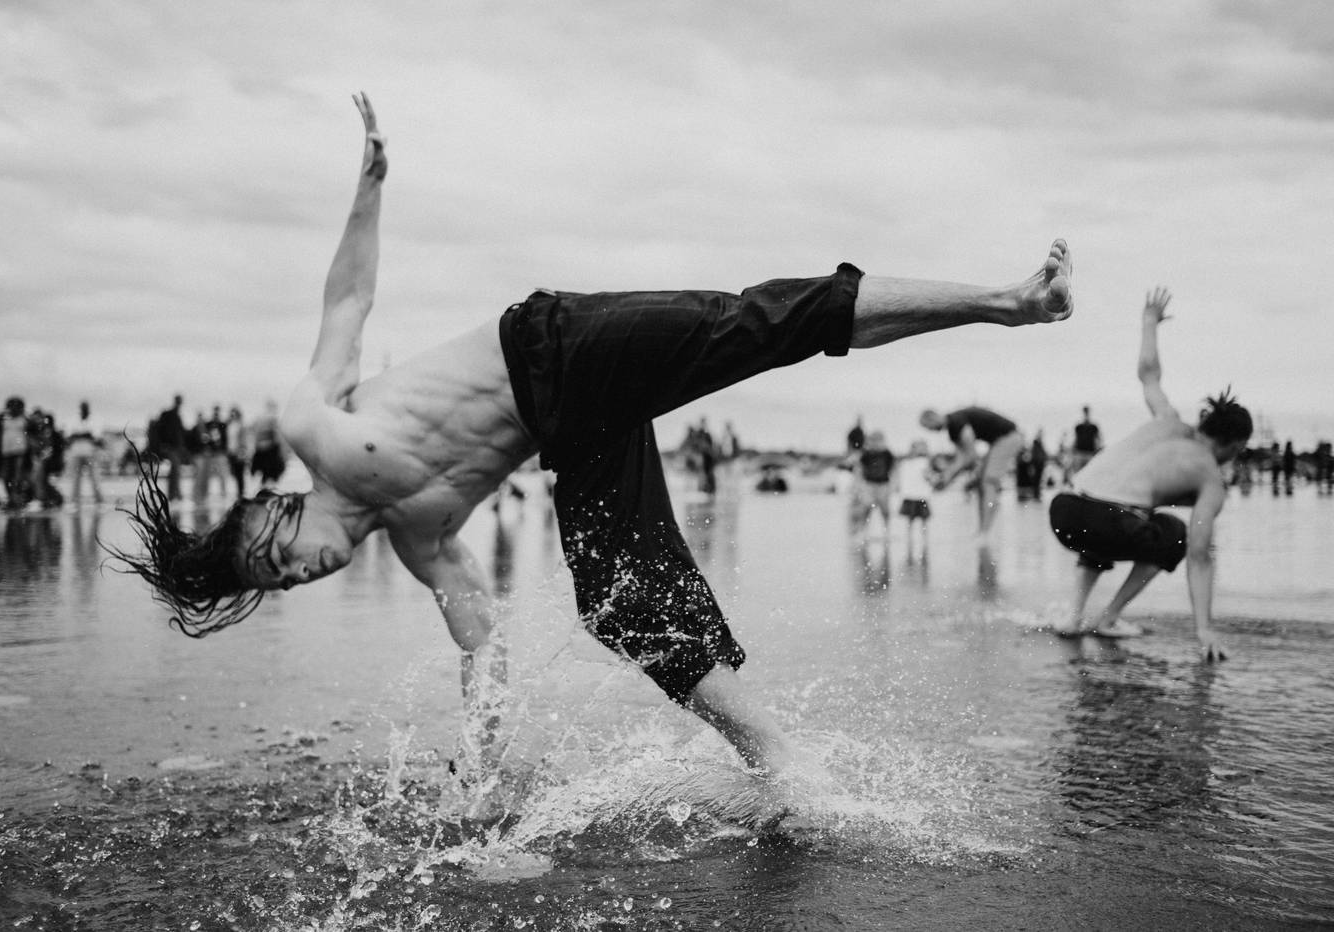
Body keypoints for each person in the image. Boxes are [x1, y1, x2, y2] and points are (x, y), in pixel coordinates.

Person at [114, 93, 1074, 785]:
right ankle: (779, 758)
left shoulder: (314, 426)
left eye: (278, 560)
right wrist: (477, 772)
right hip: (576, 433)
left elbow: (349, 303)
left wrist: (367, 187)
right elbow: (482, 654)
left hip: (555, 344)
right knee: (622, 605)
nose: (302, 574)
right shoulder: (421, 542)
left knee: (756, 325)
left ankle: (1010, 300)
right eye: (286, 586)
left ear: (270, 512)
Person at [1048, 287, 1251, 662]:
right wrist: (1204, 629)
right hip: (1108, 519)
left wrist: (1148, 322)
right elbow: (1199, 555)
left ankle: (1073, 617)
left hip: (1064, 509)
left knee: (1116, 520)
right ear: (1235, 445)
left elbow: (1148, 375)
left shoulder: (1167, 419)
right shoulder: (1210, 477)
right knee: (1174, 533)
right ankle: (1108, 618)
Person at [919, 405, 1025, 540]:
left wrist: (948, 476)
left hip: (1009, 437)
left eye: (928, 427)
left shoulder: (957, 422)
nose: (931, 431)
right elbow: (961, 460)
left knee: (988, 481)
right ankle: (982, 531)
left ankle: (985, 533)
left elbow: (971, 455)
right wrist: (947, 477)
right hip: (998, 442)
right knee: (982, 483)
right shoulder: (953, 431)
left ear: (933, 418)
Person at [896, 439, 936, 553]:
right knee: (914, 520)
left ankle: (919, 538)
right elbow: (928, 477)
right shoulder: (914, 463)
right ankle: (916, 539)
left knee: (918, 520)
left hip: (918, 495)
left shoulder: (914, 462)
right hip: (913, 495)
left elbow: (928, 476)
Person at [852, 430, 896, 534]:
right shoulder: (866, 454)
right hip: (869, 484)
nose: (876, 443)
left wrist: (893, 484)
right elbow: (859, 468)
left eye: (878, 441)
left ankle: (886, 530)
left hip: (883, 484)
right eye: (874, 441)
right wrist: (859, 484)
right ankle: (864, 531)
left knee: (885, 509)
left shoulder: (887, 454)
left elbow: (893, 469)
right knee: (867, 508)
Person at [65, 400, 105, 507]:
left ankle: (98, 500)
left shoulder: (94, 420)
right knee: (76, 478)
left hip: (90, 453)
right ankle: (74, 501)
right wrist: (85, 435)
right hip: (77, 453)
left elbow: (96, 437)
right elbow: (70, 437)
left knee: (94, 477)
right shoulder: (74, 420)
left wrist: (80, 435)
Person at [153, 395, 189, 502]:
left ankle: (174, 494)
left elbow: (180, 432)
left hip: (176, 447)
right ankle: (174, 495)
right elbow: (160, 430)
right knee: (175, 469)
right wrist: (163, 444)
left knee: (175, 470)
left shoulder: (177, 416)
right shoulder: (168, 414)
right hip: (170, 447)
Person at [249, 400, 287, 488]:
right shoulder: (272, 419)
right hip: (270, 449)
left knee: (265, 472)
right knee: (271, 472)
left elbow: (255, 434)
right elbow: (277, 436)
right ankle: (267, 487)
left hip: (261, 449)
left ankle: (265, 487)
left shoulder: (260, 418)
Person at [1068, 405, 1102, 483]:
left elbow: (1098, 439)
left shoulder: (1094, 427)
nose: (1086, 414)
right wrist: (1072, 451)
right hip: (1079, 453)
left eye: (1087, 412)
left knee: (1089, 474)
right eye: (1085, 412)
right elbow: (1075, 439)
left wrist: (1098, 450)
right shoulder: (1078, 427)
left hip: (1090, 453)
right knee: (1078, 474)